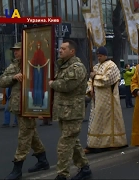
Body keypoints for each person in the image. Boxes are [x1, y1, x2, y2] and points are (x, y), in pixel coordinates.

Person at [0, 42, 49, 180]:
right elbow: (1, 81)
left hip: (30, 104)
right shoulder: (13, 66)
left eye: (18, 50)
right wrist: (13, 77)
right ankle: (43, 160)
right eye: (14, 50)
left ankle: (17, 168)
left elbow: (42, 79)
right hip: (17, 106)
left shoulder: (32, 63)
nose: (15, 52)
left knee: (24, 136)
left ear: (25, 50)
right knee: (31, 134)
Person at [49, 40, 91, 180]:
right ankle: (84, 168)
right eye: (59, 48)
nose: (60, 50)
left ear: (72, 51)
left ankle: (62, 174)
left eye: (63, 48)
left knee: (64, 144)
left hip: (73, 112)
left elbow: (66, 86)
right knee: (73, 142)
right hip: (63, 111)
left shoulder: (77, 67)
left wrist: (52, 83)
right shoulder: (63, 66)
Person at [84, 46, 127, 154]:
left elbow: (108, 80)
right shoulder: (96, 66)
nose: (99, 58)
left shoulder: (112, 65)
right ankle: (94, 144)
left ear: (105, 55)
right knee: (96, 122)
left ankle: (113, 143)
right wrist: (90, 89)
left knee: (109, 122)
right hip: (97, 100)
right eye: (97, 56)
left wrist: (95, 77)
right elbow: (90, 80)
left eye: (101, 56)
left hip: (109, 100)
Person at [29, 41, 49, 107]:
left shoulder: (41, 52)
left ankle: (40, 102)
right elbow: (32, 59)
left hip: (41, 69)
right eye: (37, 45)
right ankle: (35, 101)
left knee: (40, 85)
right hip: (35, 69)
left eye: (39, 45)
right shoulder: (35, 52)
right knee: (35, 85)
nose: (38, 47)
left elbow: (44, 60)